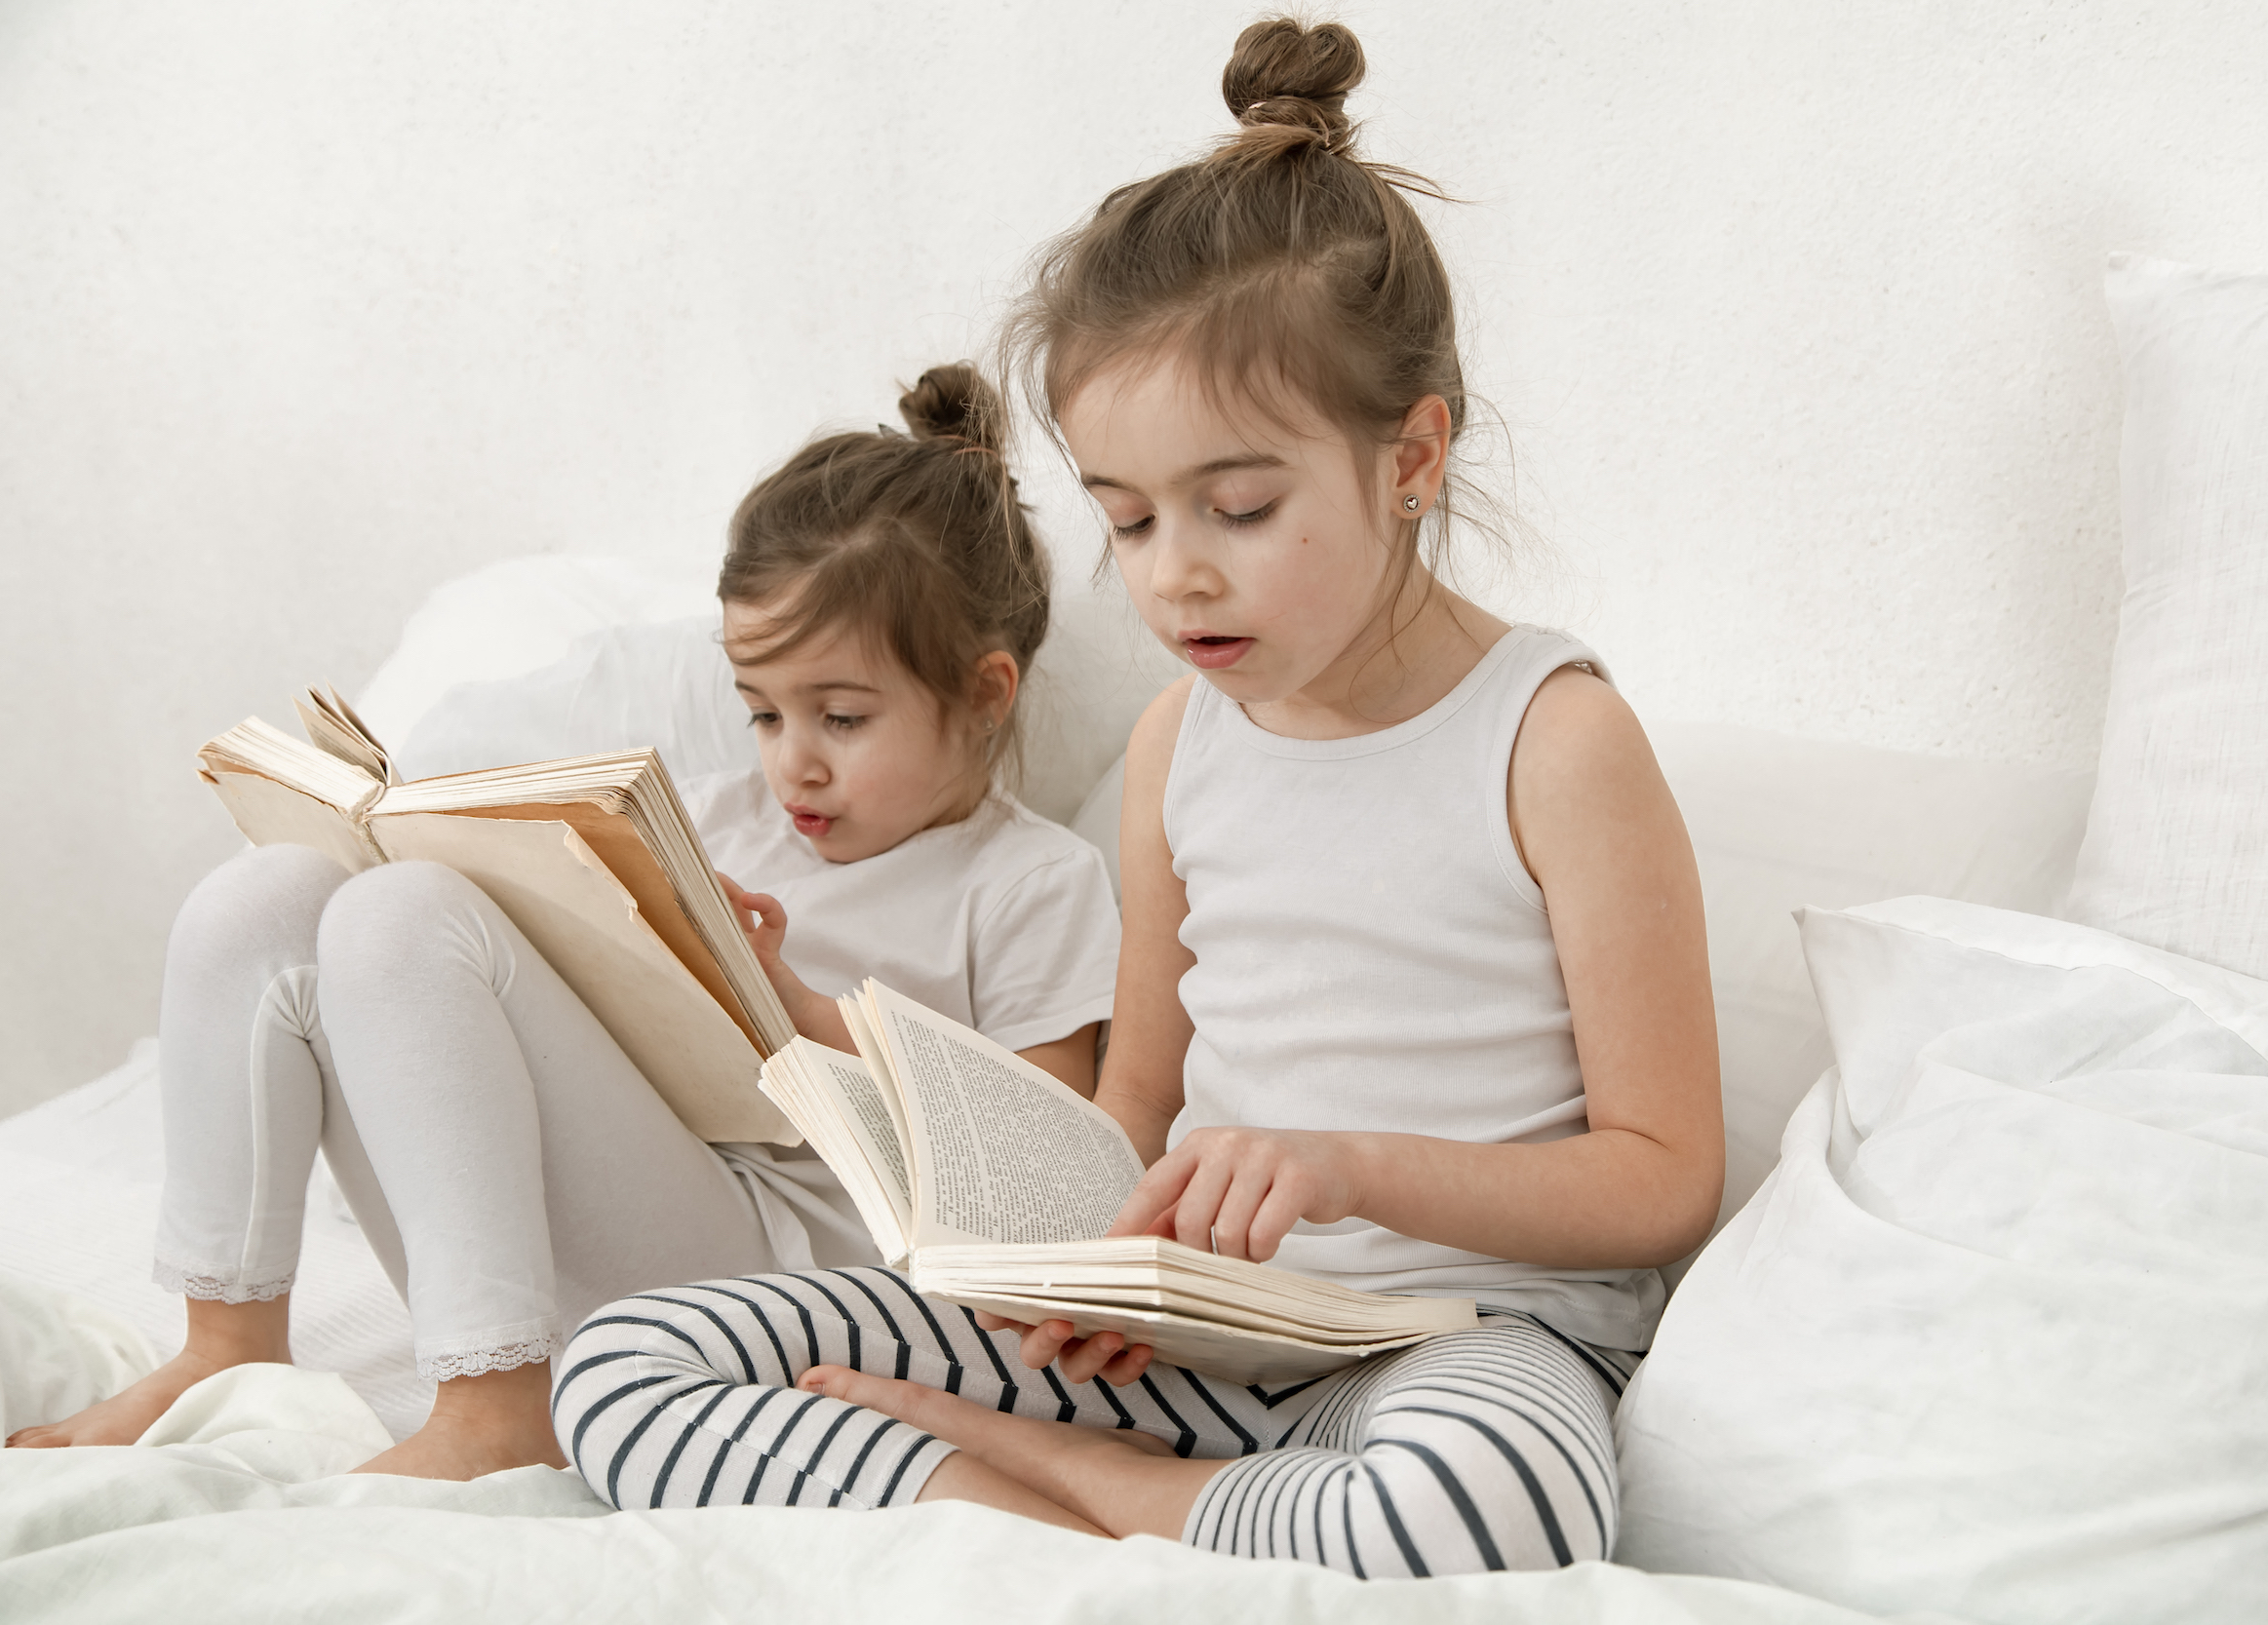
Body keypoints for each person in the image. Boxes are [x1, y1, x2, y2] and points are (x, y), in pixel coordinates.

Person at [549, 19, 1724, 1574]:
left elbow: (1663, 1176)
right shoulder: (1181, 743)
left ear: (1412, 456)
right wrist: (1098, 1263)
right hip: (1193, 1356)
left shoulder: (1554, 740)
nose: (1175, 570)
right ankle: (1137, 1516)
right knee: (623, 1365)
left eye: (1238, 505)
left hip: (1460, 1345)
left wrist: (1344, 1164)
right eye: (1128, 515)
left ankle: (1050, 1485)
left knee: (1493, 1507)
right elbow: (1135, 1108)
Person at [5, 365, 1121, 1482]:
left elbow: (1048, 1167)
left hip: (785, 1279)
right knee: (272, 895)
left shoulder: (1031, 881)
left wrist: (798, 1009)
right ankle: (226, 1343)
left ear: (986, 692)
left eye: (841, 715)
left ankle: (498, 1408)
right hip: (581, 1226)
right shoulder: (718, 817)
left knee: (408, 917)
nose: (796, 759)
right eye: (764, 713)